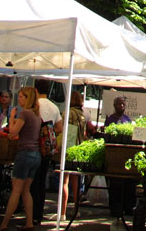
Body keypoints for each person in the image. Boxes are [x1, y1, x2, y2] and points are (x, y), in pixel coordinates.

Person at [0, 86, 42, 231]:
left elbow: (12, 133)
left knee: (16, 190)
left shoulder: (25, 114)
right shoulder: (37, 115)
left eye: (21, 96)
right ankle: (29, 222)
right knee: (26, 190)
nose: (19, 99)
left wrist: (11, 117)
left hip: (24, 154)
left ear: (27, 98)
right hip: (35, 155)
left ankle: (4, 224)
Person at [30, 79, 63, 225]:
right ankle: (39, 212)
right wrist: (48, 134)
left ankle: (30, 214)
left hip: (33, 145)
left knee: (30, 181)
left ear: (35, 90)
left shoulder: (33, 105)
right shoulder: (54, 107)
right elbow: (60, 128)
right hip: (47, 148)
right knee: (41, 180)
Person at [105, 96, 135, 229]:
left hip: (126, 159)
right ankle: (115, 209)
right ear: (114, 105)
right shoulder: (110, 120)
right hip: (114, 158)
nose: (121, 106)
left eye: (123, 104)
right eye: (119, 104)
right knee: (115, 185)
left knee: (128, 184)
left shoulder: (128, 120)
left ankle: (128, 207)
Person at [61, 89, 86, 220]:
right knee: (76, 181)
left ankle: (62, 213)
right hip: (79, 149)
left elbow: (63, 130)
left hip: (69, 148)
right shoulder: (82, 114)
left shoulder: (68, 113)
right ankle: (76, 210)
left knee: (65, 181)